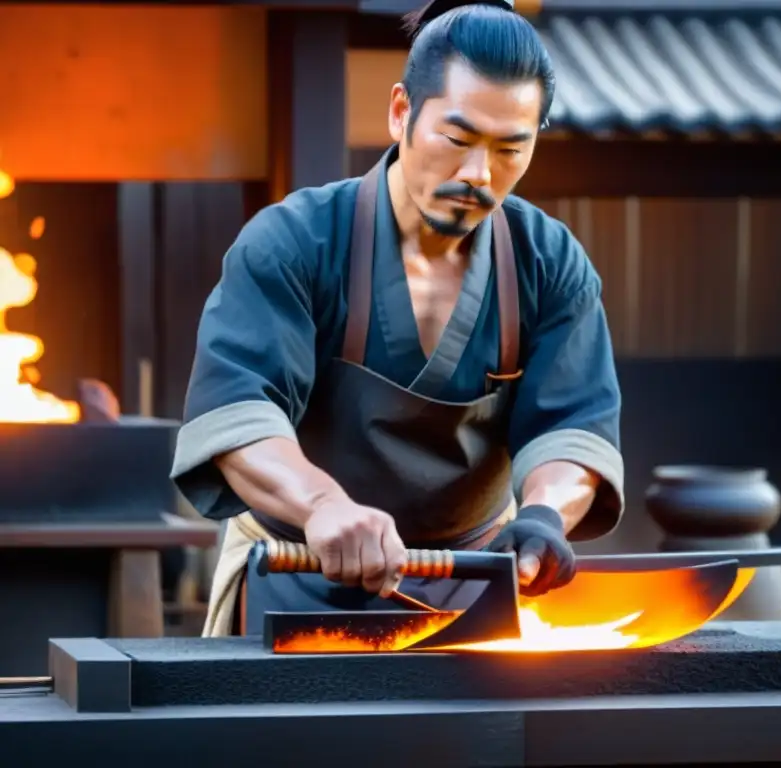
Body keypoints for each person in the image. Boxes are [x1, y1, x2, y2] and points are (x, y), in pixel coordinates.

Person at [170, 0, 624, 638]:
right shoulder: (294, 242)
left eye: (509, 150)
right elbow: (239, 414)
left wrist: (545, 515)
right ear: (401, 112)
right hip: (295, 571)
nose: (478, 174)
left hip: (471, 581)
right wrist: (323, 506)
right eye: (458, 140)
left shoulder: (547, 262)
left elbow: (573, 426)